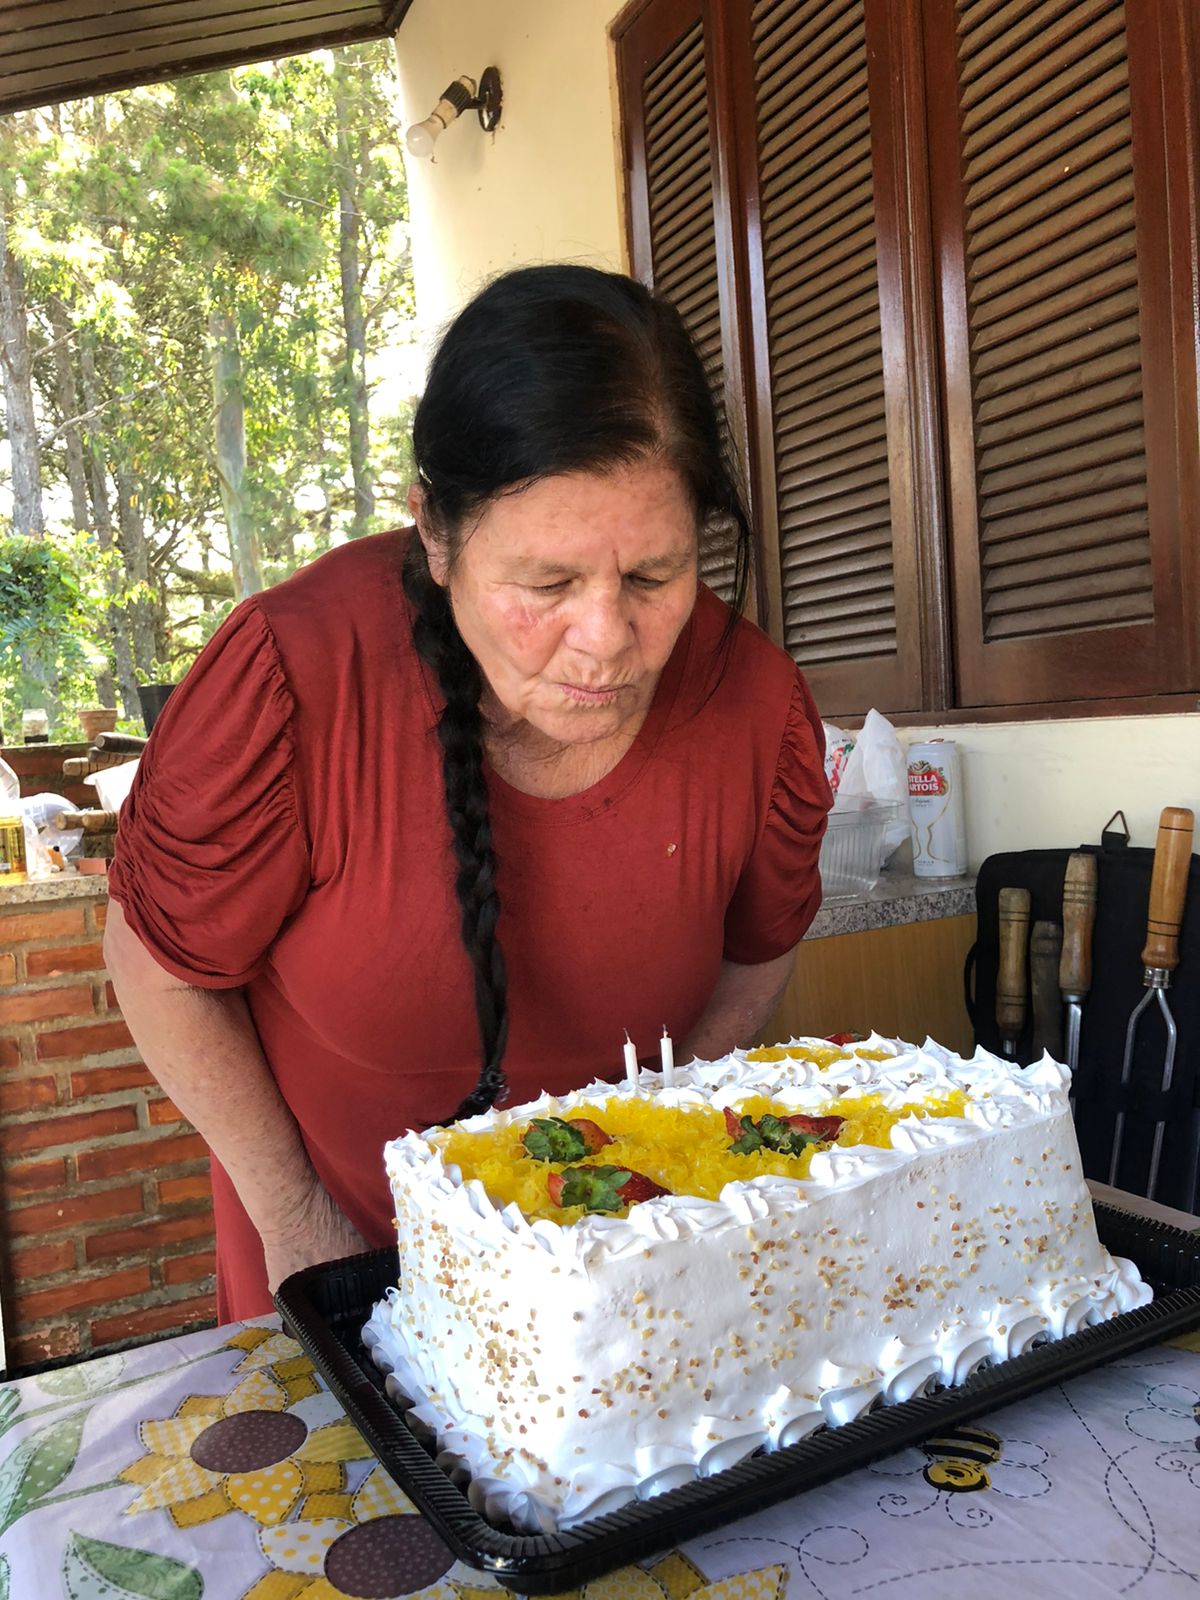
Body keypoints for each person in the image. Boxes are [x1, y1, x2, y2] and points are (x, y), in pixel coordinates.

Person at [104, 264, 832, 1321]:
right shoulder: (296, 676)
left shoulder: (755, 708)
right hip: (336, 1259)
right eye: (547, 584)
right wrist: (301, 1223)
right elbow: (157, 963)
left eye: (653, 576)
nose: (608, 640)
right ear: (434, 534)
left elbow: (759, 951)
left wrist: (660, 1169)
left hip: (617, 1281)